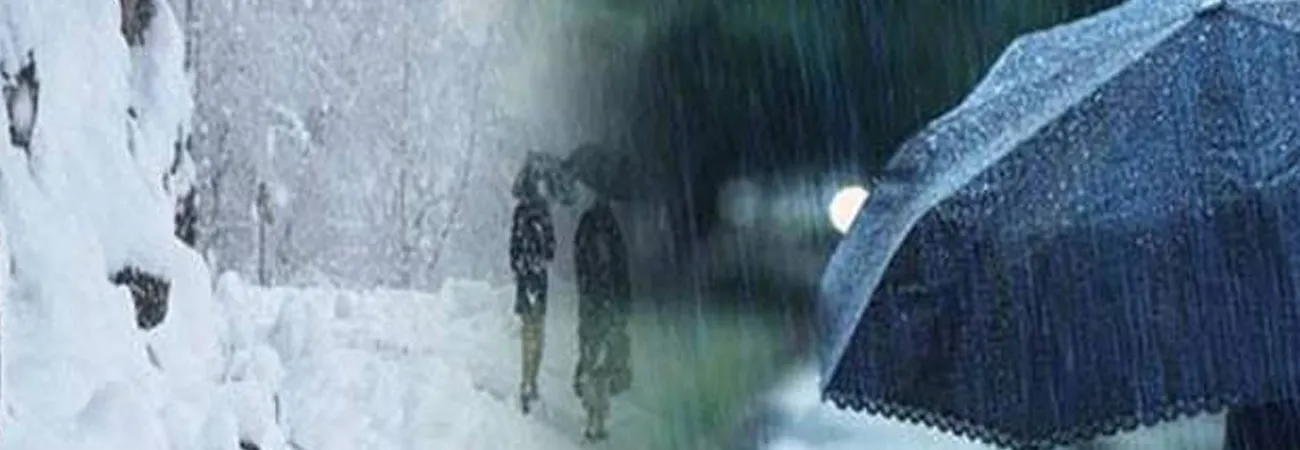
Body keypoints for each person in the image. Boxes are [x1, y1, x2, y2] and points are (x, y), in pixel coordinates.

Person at [572, 196, 632, 442]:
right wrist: (623, 302)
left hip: (592, 304)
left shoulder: (586, 225)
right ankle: (599, 418)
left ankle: (593, 416)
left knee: (592, 359)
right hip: (606, 303)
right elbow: (621, 268)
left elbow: (580, 265)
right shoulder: (612, 227)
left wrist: (586, 292)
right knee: (603, 365)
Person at [509, 163, 556, 414]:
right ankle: (532, 381)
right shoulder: (543, 211)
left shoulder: (520, 213)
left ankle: (527, 383)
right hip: (539, 281)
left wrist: (521, 268)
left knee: (529, 334)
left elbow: (513, 252)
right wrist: (538, 261)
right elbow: (551, 250)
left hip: (526, 281)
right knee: (538, 334)